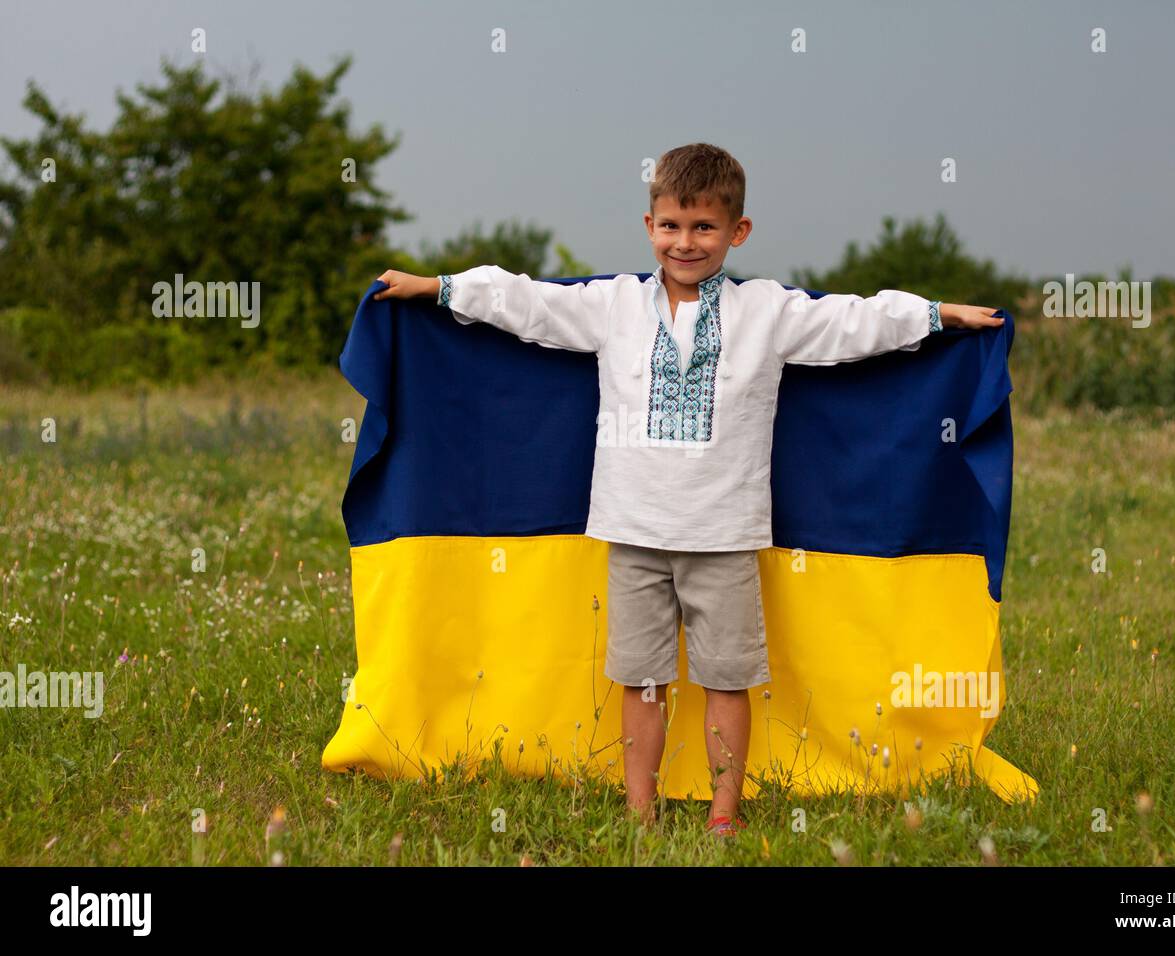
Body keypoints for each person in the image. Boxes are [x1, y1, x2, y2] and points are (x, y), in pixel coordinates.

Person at [373, 142, 1004, 839]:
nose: (685, 241)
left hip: (726, 538)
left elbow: (854, 322)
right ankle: (639, 814)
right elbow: (527, 302)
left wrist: (938, 315)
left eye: (704, 227)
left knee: (727, 683)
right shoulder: (612, 307)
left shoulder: (767, 312)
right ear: (649, 227)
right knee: (640, 683)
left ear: (738, 232)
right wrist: (437, 287)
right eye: (671, 225)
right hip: (633, 536)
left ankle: (724, 816)